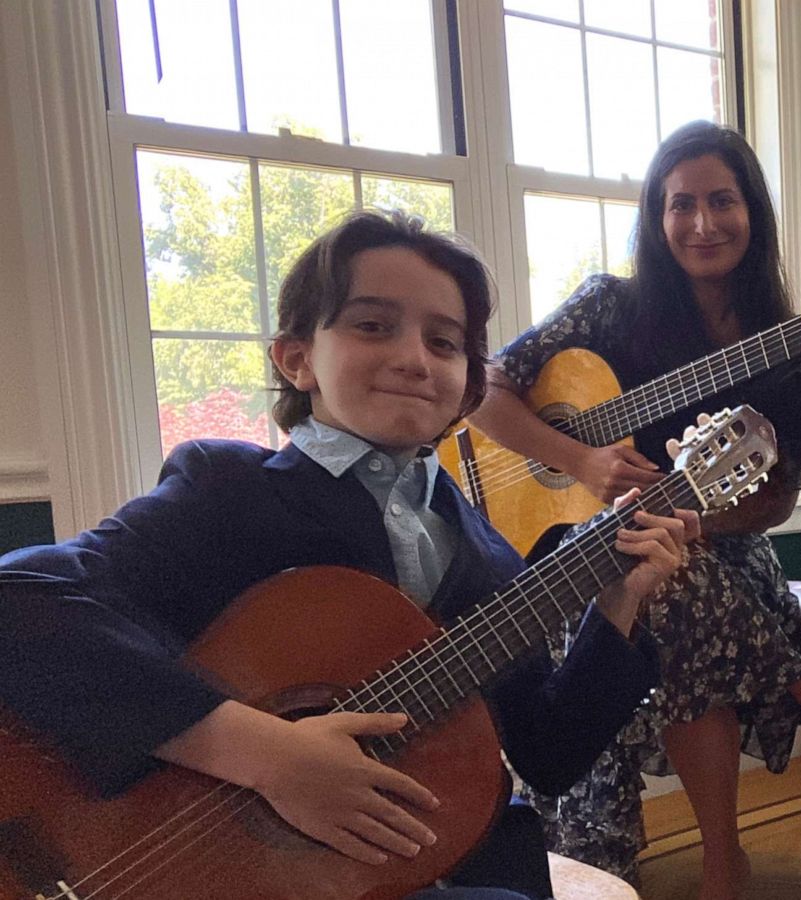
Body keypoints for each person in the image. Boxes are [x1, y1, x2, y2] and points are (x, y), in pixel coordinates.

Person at [0, 210, 698, 900]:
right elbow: (18, 604)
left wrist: (620, 600)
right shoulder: (226, 492)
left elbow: (550, 752)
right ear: (297, 358)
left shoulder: (488, 555)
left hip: (430, 863)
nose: (414, 358)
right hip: (213, 869)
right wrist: (269, 757)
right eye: (372, 326)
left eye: (445, 342)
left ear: (470, 383)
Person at [469, 121, 801, 899]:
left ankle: (715, 862)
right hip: (584, 555)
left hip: (724, 562)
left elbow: (767, 504)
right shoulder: (607, 309)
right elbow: (486, 392)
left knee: (660, 569)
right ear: (656, 217)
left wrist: (699, 513)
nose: (703, 223)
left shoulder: (786, 340)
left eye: (722, 201)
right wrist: (580, 459)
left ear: (753, 213)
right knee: (644, 565)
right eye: (682, 204)